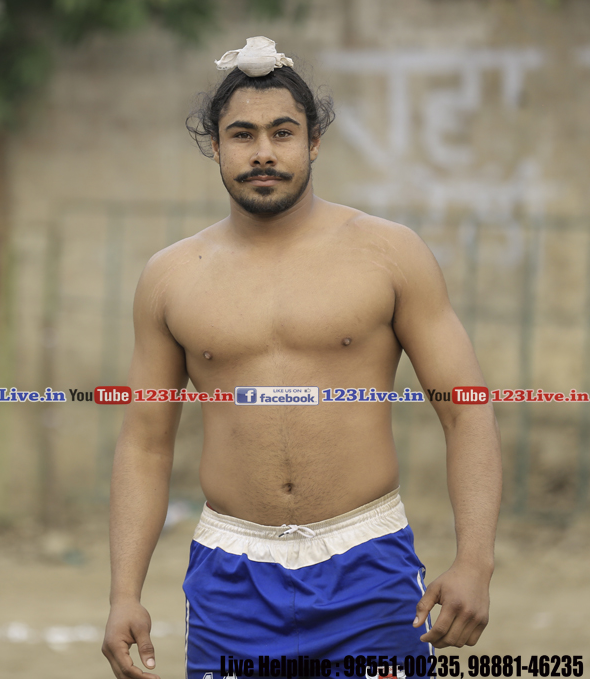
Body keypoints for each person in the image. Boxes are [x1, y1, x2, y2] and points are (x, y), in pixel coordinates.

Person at [101, 37, 502, 679]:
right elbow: (145, 443)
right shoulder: (171, 277)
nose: (263, 152)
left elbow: (467, 410)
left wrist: (475, 560)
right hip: (230, 575)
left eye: (282, 132)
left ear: (313, 142)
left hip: (368, 564)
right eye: (242, 134)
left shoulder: (389, 253)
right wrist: (124, 592)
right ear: (215, 147)